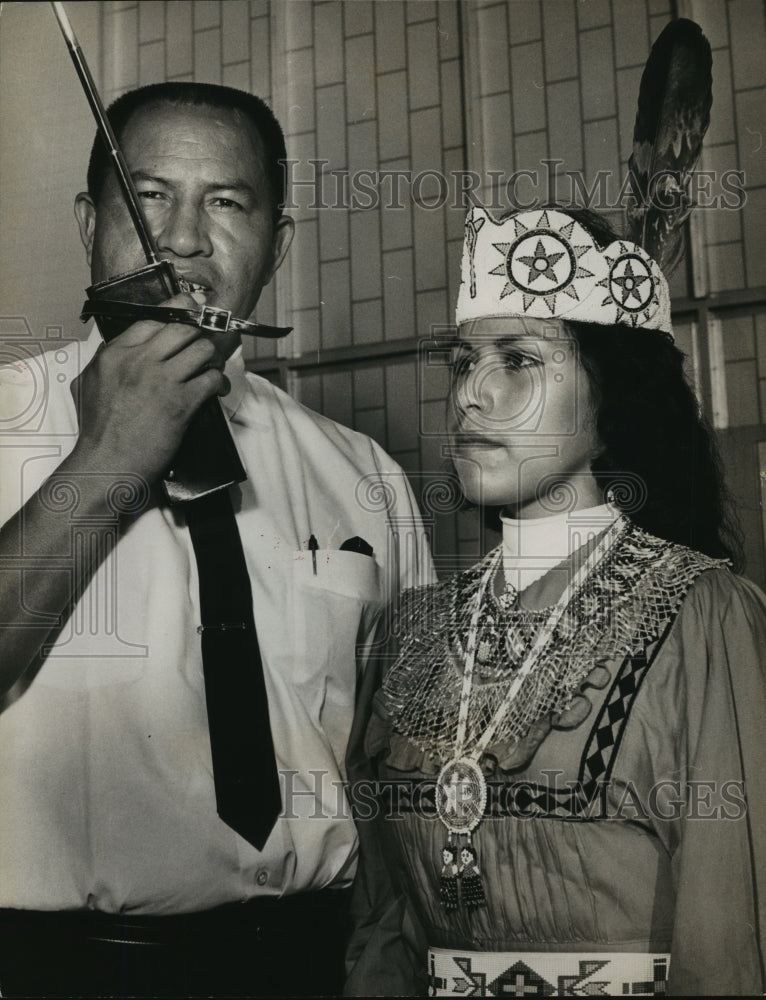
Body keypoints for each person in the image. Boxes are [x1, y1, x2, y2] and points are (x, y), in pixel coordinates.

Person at [0, 82, 432, 998]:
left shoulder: (365, 476)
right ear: (89, 223)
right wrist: (109, 460)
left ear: (277, 245)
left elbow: (406, 763)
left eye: (225, 203)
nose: (181, 240)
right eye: (147, 198)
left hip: (310, 966)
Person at [344, 204, 766, 996]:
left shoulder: (700, 617)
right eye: (462, 363)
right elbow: (384, 931)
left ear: (613, 402)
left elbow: (730, 943)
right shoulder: (411, 634)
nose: (471, 394)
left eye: (520, 361)